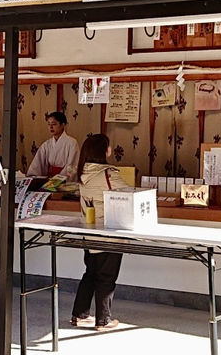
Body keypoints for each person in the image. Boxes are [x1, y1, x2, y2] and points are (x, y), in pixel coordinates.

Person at [70, 134, 128, 331]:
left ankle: (79, 314)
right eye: (108, 146)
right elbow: (128, 194)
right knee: (106, 276)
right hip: (108, 232)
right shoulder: (108, 174)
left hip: (90, 230)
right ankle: (103, 320)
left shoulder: (82, 172)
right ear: (104, 151)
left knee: (91, 273)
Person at [26, 111, 80, 181]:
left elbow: (72, 165)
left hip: (64, 180)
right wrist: (33, 177)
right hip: (49, 180)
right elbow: (38, 163)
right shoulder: (46, 145)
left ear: (62, 125)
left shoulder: (72, 143)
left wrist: (59, 180)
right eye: (49, 124)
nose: (51, 127)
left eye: (54, 124)